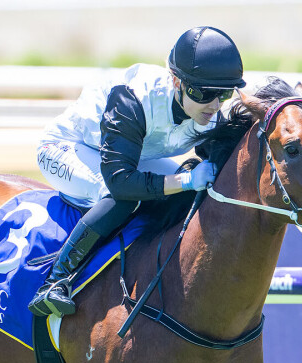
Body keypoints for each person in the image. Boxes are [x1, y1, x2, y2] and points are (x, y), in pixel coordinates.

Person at [28, 26, 247, 317]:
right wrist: (185, 179)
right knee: (122, 197)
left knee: (192, 192)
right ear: (176, 82)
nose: (215, 105)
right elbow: (121, 183)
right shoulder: (132, 99)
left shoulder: (210, 111)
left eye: (225, 94)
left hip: (131, 154)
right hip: (67, 147)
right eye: (204, 93)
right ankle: (55, 281)